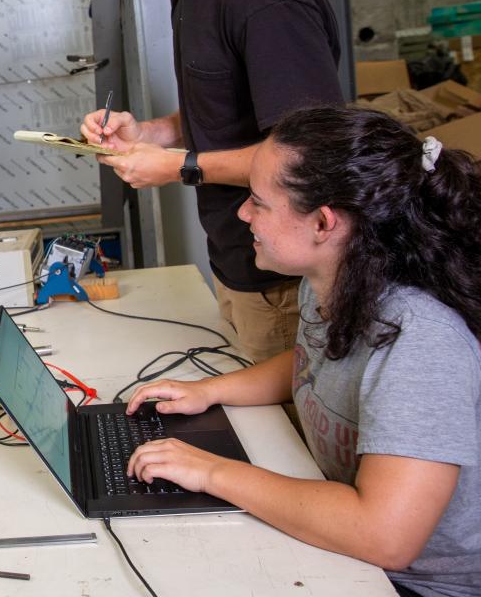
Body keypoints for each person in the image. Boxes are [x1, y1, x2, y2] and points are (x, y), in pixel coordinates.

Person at [124, 106, 480, 597]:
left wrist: (210, 470)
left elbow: (384, 536)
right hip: (351, 547)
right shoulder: (331, 279)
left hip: (409, 582)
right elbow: (312, 362)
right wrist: (207, 392)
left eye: (258, 201)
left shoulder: (421, 341)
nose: (243, 213)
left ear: (323, 223)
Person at [79, 0, 343, 363]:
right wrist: (150, 131)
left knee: (282, 444)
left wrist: (177, 167)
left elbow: (306, 158)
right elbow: (227, 101)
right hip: (235, 266)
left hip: (280, 288)